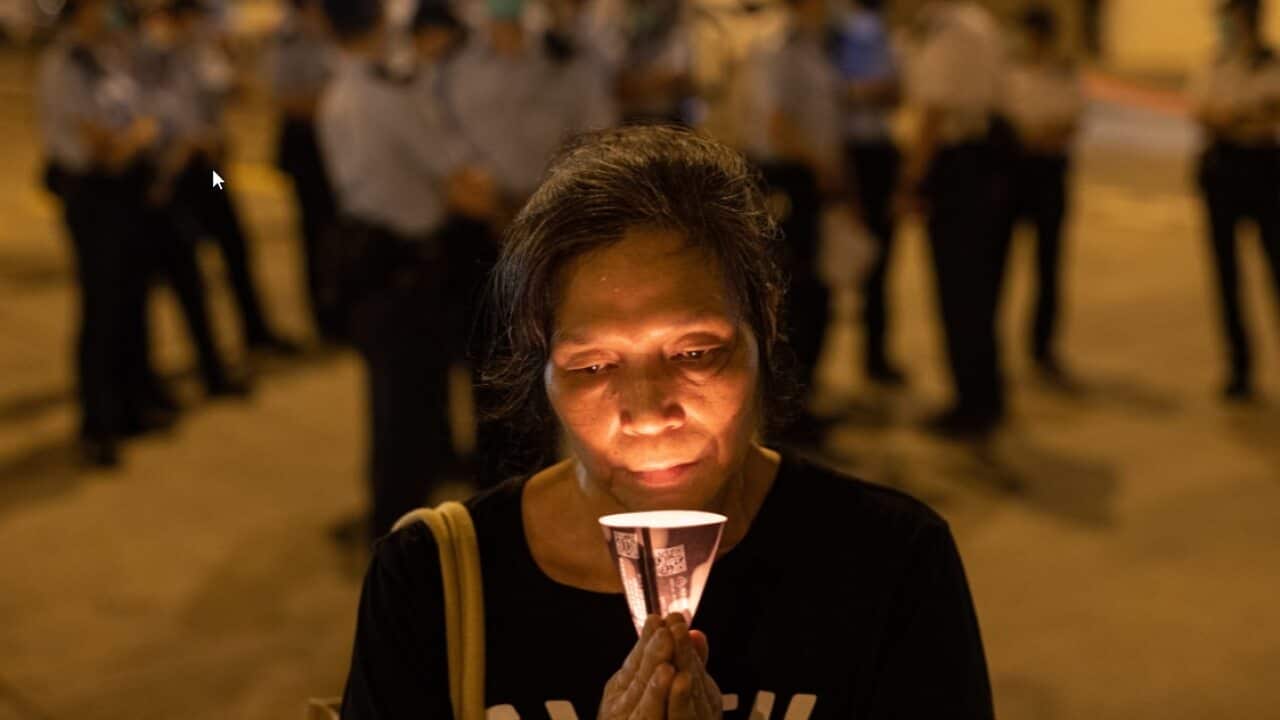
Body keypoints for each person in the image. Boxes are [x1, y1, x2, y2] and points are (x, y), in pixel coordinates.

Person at [340, 125, 994, 718]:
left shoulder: (887, 563)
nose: (649, 411)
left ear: (762, 322)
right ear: (540, 362)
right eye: (593, 367)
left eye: (694, 353)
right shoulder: (436, 583)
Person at [317, 0, 499, 541]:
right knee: (405, 409)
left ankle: (390, 512)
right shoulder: (386, 97)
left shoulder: (340, 94)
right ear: (379, 25)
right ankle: (397, 529)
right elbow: (457, 180)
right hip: (402, 268)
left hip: (364, 262)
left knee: (392, 401)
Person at [37, 0, 165, 466]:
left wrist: (133, 137)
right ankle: (97, 424)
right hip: (91, 194)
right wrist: (133, 137)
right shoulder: (64, 64)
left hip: (125, 191)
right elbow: (103, 144)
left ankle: (133, 406)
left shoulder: (110, 55)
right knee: (101, 308)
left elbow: (144, 121)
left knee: (132, 299)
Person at [899, 0, 1011, 438]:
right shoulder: (980, 22)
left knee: (959, 289)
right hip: (984, 159)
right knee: (981, 289)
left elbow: (933, 113)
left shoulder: (949, 31)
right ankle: (986, 393)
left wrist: (910, 180)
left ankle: (971, 403)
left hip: (957, 165)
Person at [740, 0, 843, 442]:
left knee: (816, 292)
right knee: (794, 292)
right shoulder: (777, 45)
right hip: (790, 178)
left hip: (813, 177)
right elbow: (776, 121)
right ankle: (786, 412)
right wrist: (820, 167)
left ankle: (805, 398)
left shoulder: (812, 46)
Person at [1190, 0, 1280, 401]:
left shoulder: (1272, 66)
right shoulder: (1214, 64)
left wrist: (1236, 117)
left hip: (1266, 173)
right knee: (1226, 277)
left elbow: (1268, 114)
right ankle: (1239, 368)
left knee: (1275, 271)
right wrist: (1245, 116)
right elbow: (1203, 112)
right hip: (1222, 174)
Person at [1001, 4, 1084, 384]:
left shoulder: (1063, 74)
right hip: (1012, 173)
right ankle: (993, 343)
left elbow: (1069, 123)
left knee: (1048, 265)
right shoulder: (1008, 72)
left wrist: (1033, 136)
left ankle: (1042, 346)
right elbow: (1003, 122)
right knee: (998, 263)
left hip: (1049, 174)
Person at [832, 0, 907, 387]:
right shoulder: (837, 28)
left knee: (879, 260)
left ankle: (875, 357)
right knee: (829, 259)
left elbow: (895, 91)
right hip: (845, 150)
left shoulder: (881, 30)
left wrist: (858, 93)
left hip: (878, 152)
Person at [266, 0, 341, 341]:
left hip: (336, 141)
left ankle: (344, 307)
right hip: (307, 146)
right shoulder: (287, 38)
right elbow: (285, 98)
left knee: (340, 229)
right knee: (315, 233)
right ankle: (325, 319)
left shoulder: (333, 22)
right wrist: (335, 103)